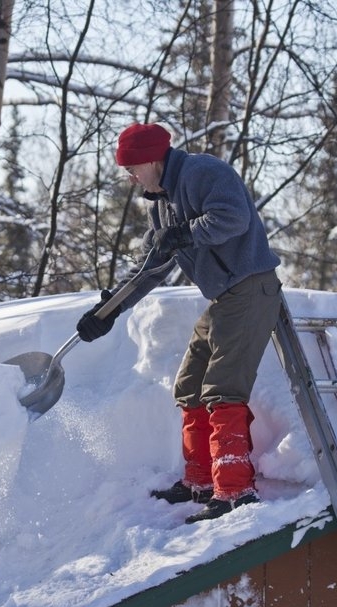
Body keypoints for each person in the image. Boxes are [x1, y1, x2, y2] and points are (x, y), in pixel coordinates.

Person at [76, 123, 283, 524]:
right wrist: (109, 311)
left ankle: (235, 490)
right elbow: (149, 267)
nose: (130, 177)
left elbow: (233, 218)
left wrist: (184, 235)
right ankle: (200, 481)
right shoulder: (161, 203)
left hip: (250, 287)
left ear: (155, 159)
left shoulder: (202, 172)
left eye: (134, 168)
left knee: (222, 387)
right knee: (189, 385)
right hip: (224, 298)